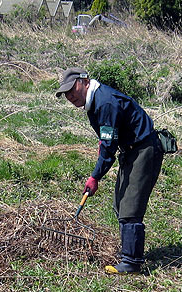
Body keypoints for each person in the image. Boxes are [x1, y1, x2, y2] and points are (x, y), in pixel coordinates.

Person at [55, 67, 163, 274]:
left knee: (130, 207)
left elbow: (108, 148)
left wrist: (95, 176)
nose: (70, 96)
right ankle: (128, 251)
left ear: (84, 81)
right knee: (120, 203)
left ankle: (131, 262)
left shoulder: (105, 102)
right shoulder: (94, 101)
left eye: (72, 90)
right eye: (65, 94)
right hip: (130, 150)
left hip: (144, 150)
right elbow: (107, 138)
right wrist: (104, 145)